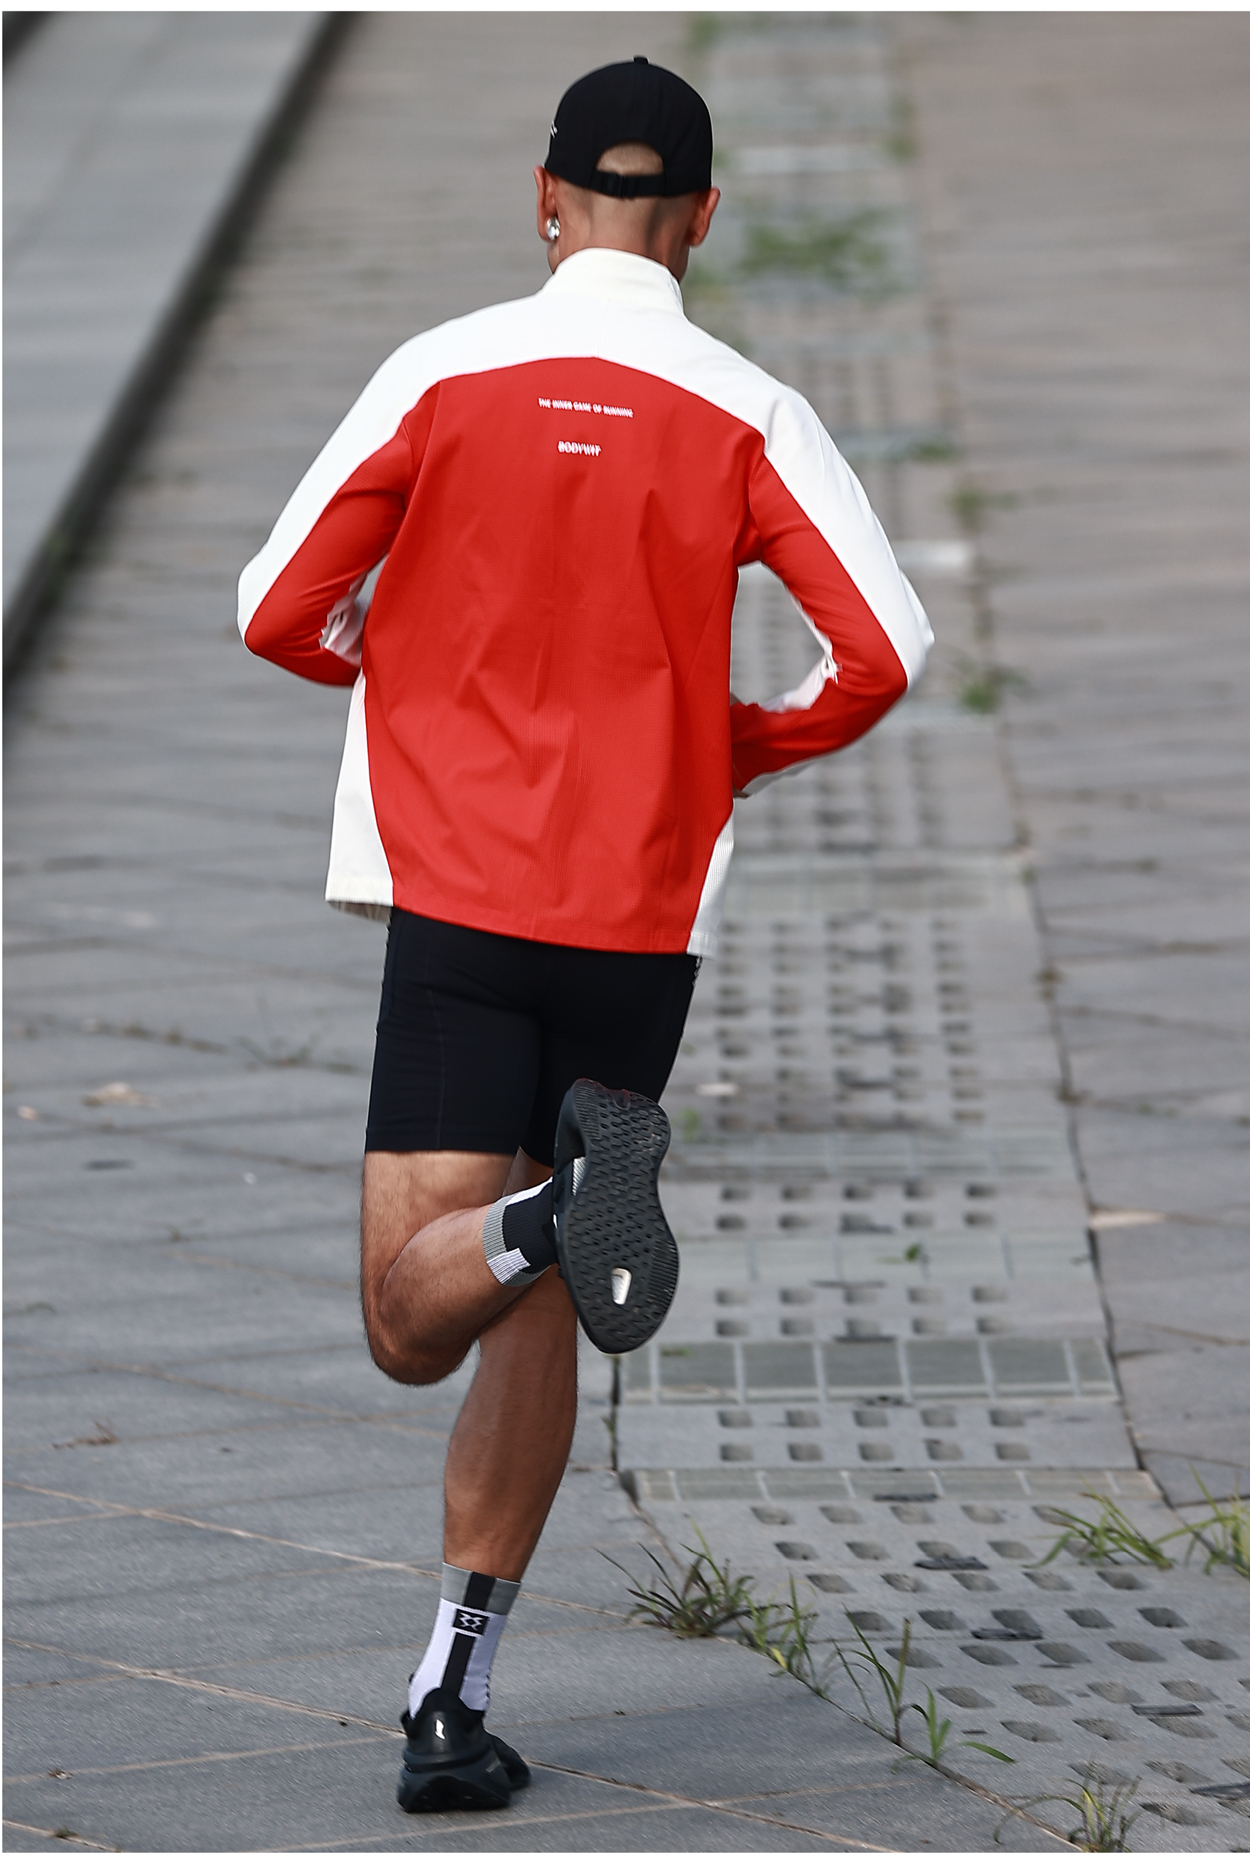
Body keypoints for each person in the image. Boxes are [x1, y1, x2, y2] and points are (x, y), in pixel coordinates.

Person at [238, 55, 932, 1815]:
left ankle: (559, 1209)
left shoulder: (441, 369)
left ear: (544, 200)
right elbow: (880, 650)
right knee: (530, 1284)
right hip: (636, 913)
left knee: (410, 1317)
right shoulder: (751, 410)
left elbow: (275, 608)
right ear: (703, 219)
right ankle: (451, 1692)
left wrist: (390, 674)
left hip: (461, 893)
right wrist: (730, 743)